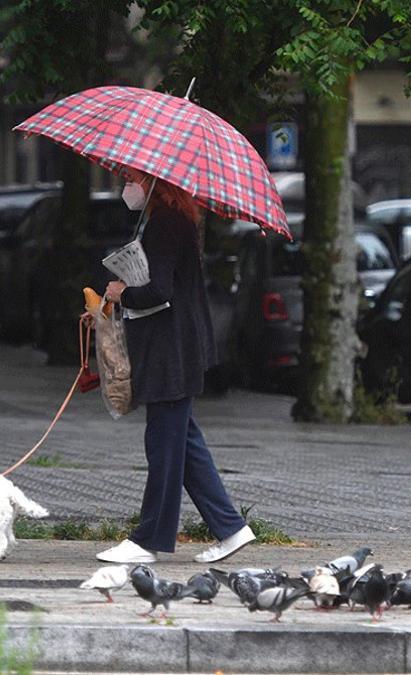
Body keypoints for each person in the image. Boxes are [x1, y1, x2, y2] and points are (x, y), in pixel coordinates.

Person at [94, 168, 255, 565]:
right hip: (177, 348)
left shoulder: (165, 224)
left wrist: (120, 291)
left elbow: (159, 289)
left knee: (164, 448)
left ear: (152, 183)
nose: (125, 186)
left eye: (131, 179)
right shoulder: (170, 220)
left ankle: (148, 538)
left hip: (171, 351)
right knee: (184, 446)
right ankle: (231, 528)